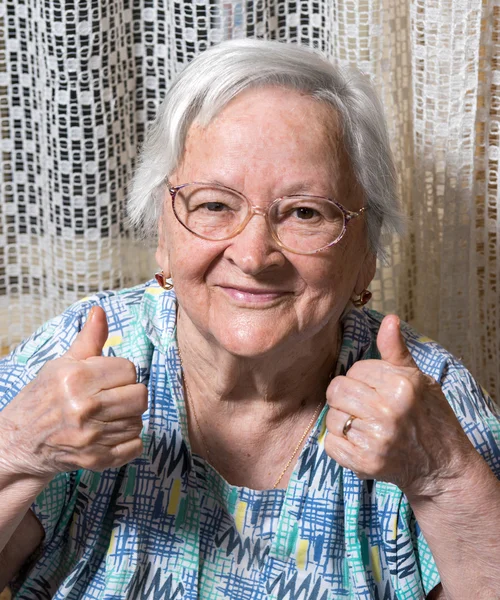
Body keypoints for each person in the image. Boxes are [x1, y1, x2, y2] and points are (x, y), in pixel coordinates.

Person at [0, 39, 499, 600]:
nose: (254, 254)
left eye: (306, 213)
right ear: (161, 236)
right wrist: (17, 450)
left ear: (366, 258)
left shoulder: (426, 397)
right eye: (214, 205)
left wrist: (446, 478)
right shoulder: (85, 357)